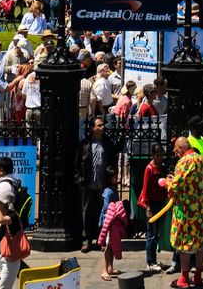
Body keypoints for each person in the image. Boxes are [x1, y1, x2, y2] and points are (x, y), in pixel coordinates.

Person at [166, 135, 203, 289]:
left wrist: (166, 182)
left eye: (175, 150)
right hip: (202, 210)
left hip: (187, 211)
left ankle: (184, 278)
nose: (175, 154)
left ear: (181, 149)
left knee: (184, 244)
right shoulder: (202, 160)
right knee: (200, 243)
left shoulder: (184, 161)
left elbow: (175, 186)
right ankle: (198, 276)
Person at [77, 116, 117, 252]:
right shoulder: (85, 144)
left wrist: (111, 176)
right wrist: (80, 180)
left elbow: (112, 161)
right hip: (89, 183)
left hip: (103, 184)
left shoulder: (107, 143)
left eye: (102, 125)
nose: (102, 128)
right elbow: (77, 164)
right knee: (87, 212)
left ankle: (101, 240)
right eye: (99, 125)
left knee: (103, 212)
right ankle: (86, 240)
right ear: (92, 128)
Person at [138, 143, 170, 274]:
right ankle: (150, 262)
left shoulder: (162, 167)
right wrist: (148, 207)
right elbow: (145, 189)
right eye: (157, 155)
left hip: (161, 202)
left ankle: (154, 260)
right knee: (151, 234)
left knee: (157, 233)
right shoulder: (149, 169)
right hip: (152, 203)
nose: (160, 157)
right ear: (153, 155)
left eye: (161, 155)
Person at [0, 195, 27, 289]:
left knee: (3, 287)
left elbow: (1, 220)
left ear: (6, 204)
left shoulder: (12, 216)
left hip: (10, 259)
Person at [98, 189, 129, 282]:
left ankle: (110, 268)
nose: (117, 178)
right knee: (107, 246)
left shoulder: (112, 190)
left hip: (112, 221)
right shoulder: (108, 191)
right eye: (115, 177)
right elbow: (106, 207)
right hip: (109, 221)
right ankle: (104, 270)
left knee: (112, 245)